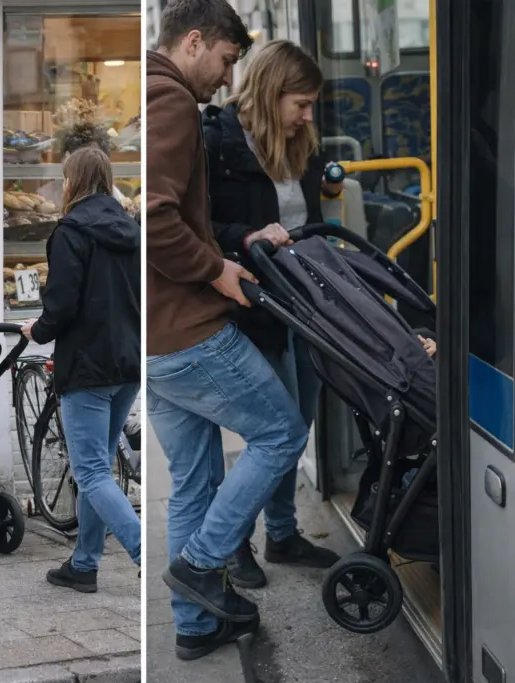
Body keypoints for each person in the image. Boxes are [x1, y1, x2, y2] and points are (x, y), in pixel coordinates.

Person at [146, 0, 313, 661]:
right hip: (189, 332)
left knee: (193, 484)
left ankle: (194, 626)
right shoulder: (172, 101)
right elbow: (156, 219)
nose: (226, 77)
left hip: (155, 340)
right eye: (225, 60)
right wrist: (216, 268)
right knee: (283, 433)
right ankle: (201, 564)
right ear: (193, 42)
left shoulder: (157, 96)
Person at [202, 39, 341, 589]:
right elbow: (200, 229)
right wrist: (248, 237)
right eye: (300, 104)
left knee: (298, 425)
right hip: (254, 305)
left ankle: (281, 533)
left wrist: (328, 185)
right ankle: (234, 539)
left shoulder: (298, 140)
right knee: (273, 430)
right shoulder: (218, 142)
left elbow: (304, 213)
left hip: (306, 301)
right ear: (269, 91)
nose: (308, 116)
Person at [21, 146, 141, 591]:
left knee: (89, 471)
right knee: (99, 468)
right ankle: (85, 563)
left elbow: (62, 304)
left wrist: (38, 330)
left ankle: (143, 551)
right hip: (127, 363)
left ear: (73, 181)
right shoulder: (132, 229)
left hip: (88, 366)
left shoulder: (69, 232)